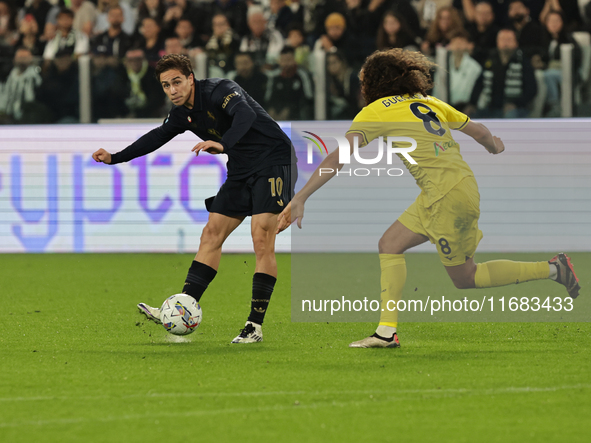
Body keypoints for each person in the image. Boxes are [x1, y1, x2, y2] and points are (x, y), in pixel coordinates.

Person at [276, 48, 580, 348]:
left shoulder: (376, 110)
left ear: (374, 83)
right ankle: (386, 331)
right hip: (456, 187)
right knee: (390, 244)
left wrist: (302, 195)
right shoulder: (428, 101)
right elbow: (479, 130)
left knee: (465, 277)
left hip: (444, 195)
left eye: (363, 80)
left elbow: (340, 156)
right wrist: (493, 146)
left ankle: (552, 269)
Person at [92, 54, 296, 344]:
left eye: (177, 82)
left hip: (274, 160)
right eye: (165, 85)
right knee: (211, 234)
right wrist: (115, 158)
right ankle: (182, 307)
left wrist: (223, 143)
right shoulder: (180, 114)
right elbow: (158, 136)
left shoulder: (220, 90)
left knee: (261, 237)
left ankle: (254, 325)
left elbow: (246, 116)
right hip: (241, 167)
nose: (172, 90)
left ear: (190, 78)